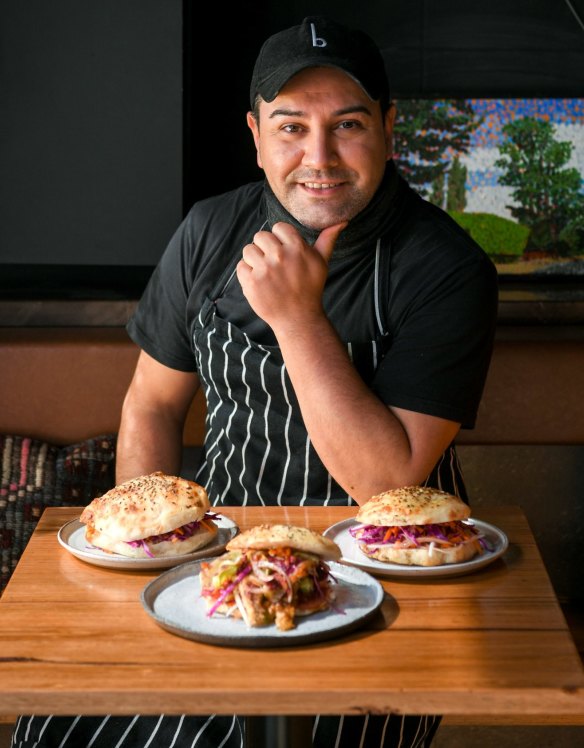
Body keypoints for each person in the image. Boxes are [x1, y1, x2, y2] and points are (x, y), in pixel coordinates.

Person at [12, 15, 498, 748]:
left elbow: (383, 476)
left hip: (381, 574)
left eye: (349, 125)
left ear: (390, 127)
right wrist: (156, 545)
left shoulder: (447, 268)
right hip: (213, 559)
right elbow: (151, 402)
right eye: (291, 127)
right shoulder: (209, 231)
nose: (320, 156)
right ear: (255, 132)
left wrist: (298, 318)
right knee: (68, 725)